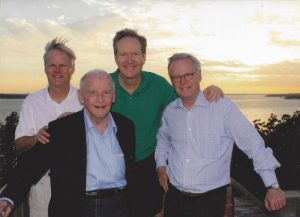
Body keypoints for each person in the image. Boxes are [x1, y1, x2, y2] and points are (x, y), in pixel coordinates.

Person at [155, 53, 286, 217]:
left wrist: (272, 186)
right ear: (171, 80)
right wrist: (161, 166)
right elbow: (163, 140)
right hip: (174, 199)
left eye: (188, 75)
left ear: (200, 75)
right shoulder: (170, 112)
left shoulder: (223, 108)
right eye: (176, 77)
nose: (182, 81)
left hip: (208, 202)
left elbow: (254, 146)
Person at [110, 28, 224, 217]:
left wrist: (209, 91)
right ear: (115, 57)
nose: (129, 60)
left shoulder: (158, 85)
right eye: (123, 54)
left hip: (148, 166)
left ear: (144, 56)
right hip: (113, 166)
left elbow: (187, 105)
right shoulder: (105, 84)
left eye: (135, 54)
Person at [0, 70, 135, 217]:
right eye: (92, 93)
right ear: (81, 97)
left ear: (114, 97)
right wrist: (9, 197)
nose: (100, 99)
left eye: (106, 92)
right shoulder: (61, 129)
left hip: (120, 207)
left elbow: (132, 169)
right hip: (78, 208)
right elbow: (30, 165)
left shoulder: (126, 126)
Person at [14, 38, 82, 217]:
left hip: (78, 187)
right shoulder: (32, 101)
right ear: (45, 68)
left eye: (63, 65)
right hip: (42, 187)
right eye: (52, 65)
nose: (57, 70)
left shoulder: (84, 99)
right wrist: (36, 138)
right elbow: (19, 144)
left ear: (72, 68)